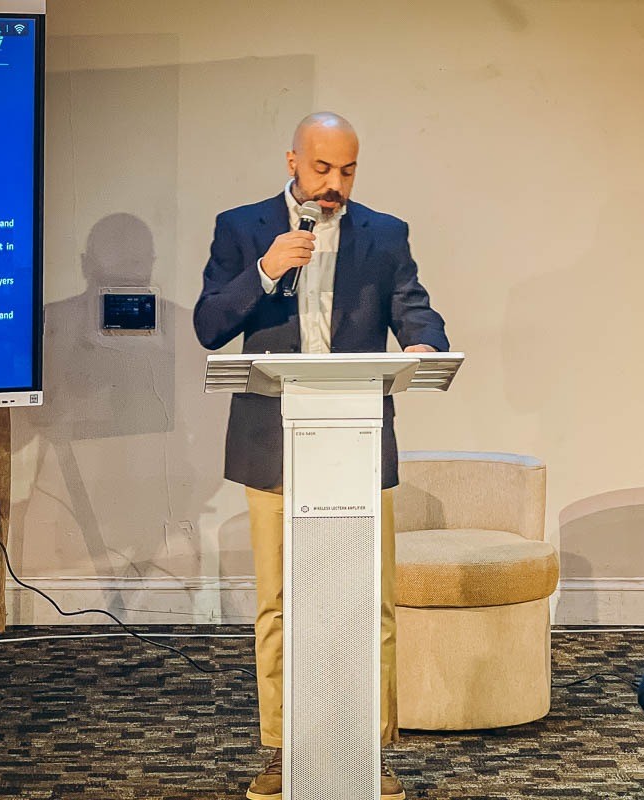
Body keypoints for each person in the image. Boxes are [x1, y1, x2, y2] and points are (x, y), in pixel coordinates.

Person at [193, 112, 449, 800]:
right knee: (279, 605)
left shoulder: (385, 233)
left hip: (359, 437)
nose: (334, 184)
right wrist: (266, 270)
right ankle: (284, 749)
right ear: (293, 161)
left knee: (372, 603)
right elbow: (209, 325)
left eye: (348, 170)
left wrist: (423, 341)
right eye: (322, 169)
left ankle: (369, 750)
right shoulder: (241, 227)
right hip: (271, 439)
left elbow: (414, 308)